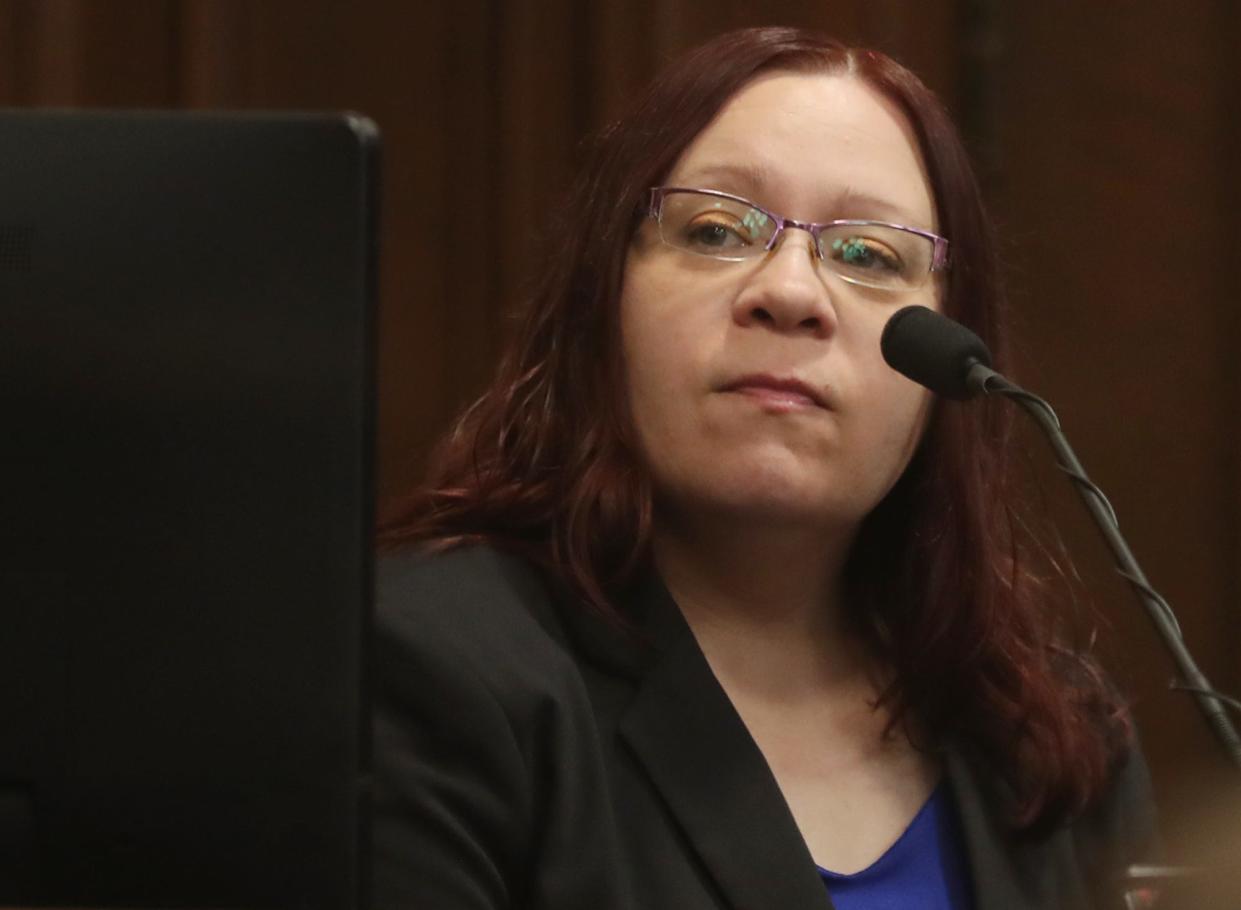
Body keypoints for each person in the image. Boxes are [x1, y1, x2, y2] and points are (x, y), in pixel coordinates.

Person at [372, 26, 1159, 910]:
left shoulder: (1048, 733)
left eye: (867, 255)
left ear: (950, 361)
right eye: (715, 230)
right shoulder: (431, 668)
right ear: (603, 303)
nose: (788, 293)